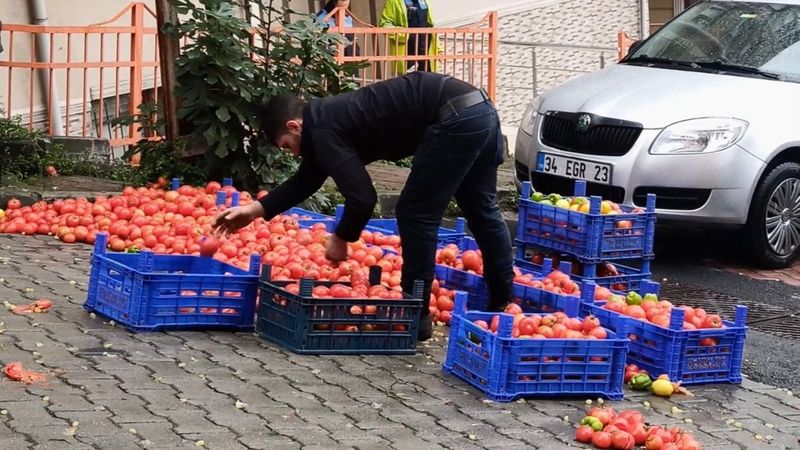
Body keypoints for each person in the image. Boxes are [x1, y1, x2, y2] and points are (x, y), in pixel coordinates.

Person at [212, 72, 513, 341]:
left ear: (295, 126)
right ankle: (502, 302)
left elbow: (363, 198)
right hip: (479, 109)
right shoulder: (323, 123)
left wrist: (341, 237)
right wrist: (254, 210)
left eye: (287, 145)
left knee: (415, 213)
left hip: (453, 118)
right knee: (481, 208)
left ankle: (416, 315)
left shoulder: (323, 130)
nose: (291, 154)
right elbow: (306, 180)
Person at [379, 0, 440, 75]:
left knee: (428, 81)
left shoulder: (426, 1)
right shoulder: (394, 2)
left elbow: (432, 27)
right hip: (406, 50)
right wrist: (404, 34)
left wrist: (438, 49)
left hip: (426, 49)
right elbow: (384, 25)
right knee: (407, 82)